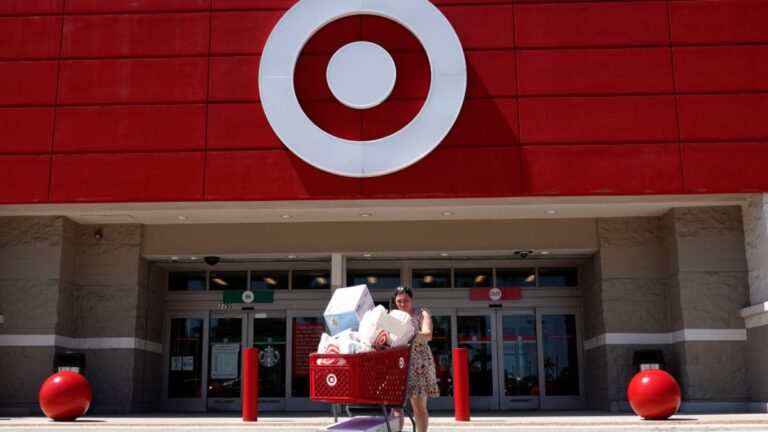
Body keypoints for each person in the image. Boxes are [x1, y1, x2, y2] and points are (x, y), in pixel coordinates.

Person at [390, 286, 439, 432]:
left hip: (419, 364)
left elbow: (428, 334)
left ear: (412, 300)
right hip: (397, 363)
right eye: (399, 301)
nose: (402, 304)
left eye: (406, 300)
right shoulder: (392, 317)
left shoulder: (421, 313)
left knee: (419, 406)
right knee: (396, 405)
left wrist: (408, 333)